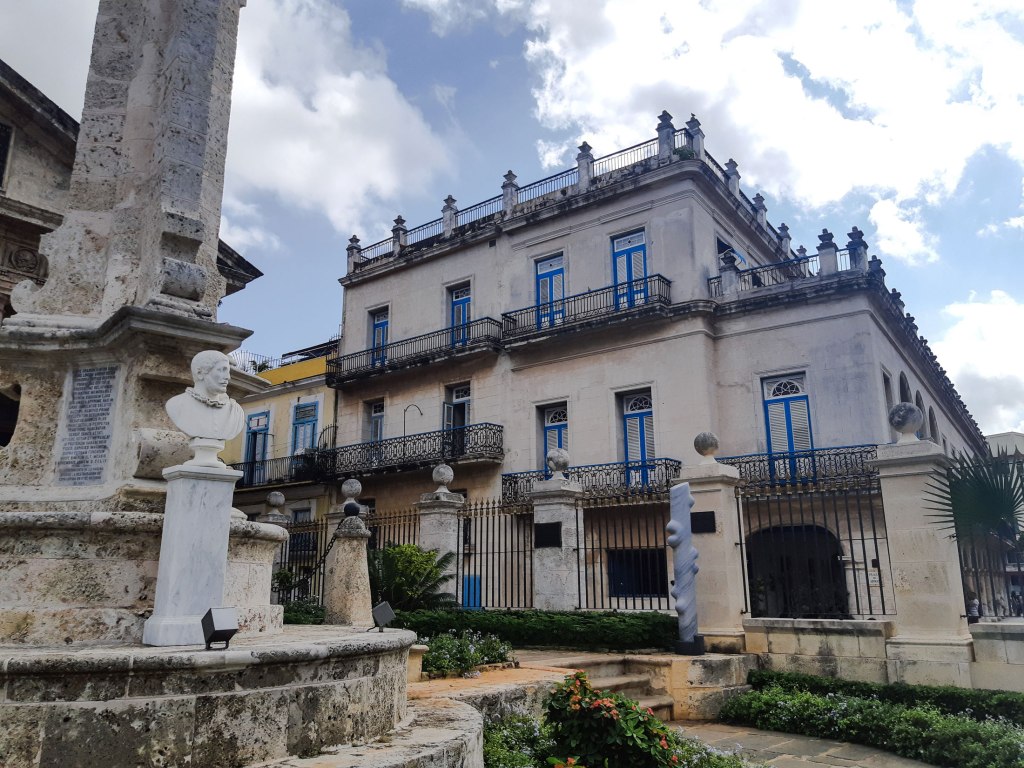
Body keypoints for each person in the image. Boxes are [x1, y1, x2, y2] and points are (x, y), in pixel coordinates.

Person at [165, 350, 245, 440]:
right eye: (222, 370)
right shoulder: (177, 405)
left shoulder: (235, 411)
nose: (228, 377)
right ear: (200, 373)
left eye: (228, 371)